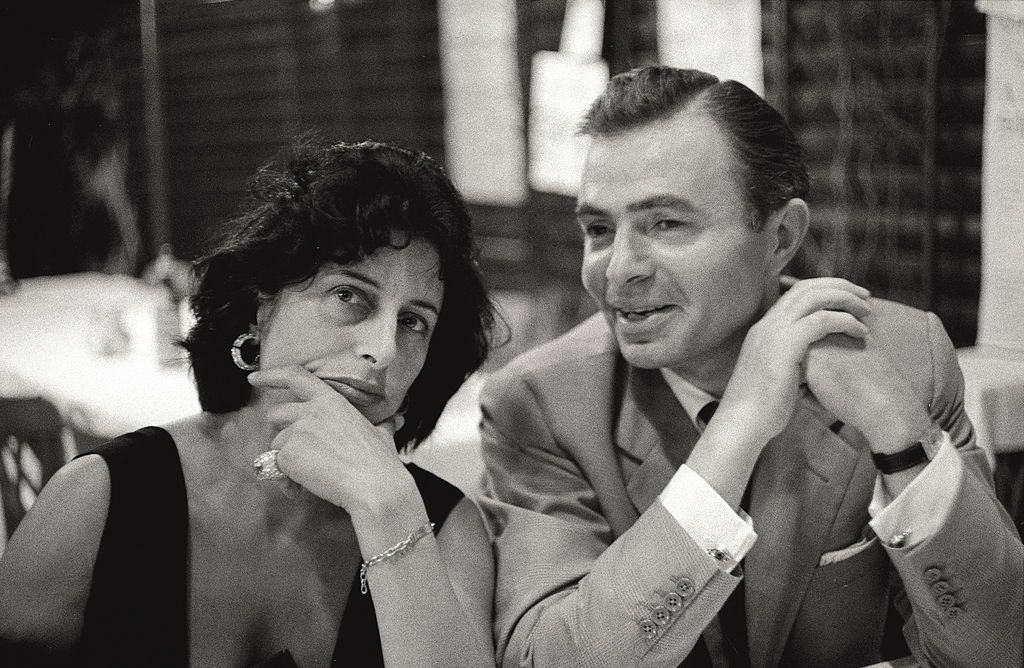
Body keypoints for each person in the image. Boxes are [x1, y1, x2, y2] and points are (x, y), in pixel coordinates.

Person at [480, 66, 1023, 668]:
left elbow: (998, 649)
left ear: (781, 238)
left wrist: (899, 436)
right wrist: (736, 429)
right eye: (599, 229)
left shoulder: (902, 358)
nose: (617, 271)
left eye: (666, 223)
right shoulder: (539, 404)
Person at [0, 138, 497, 667]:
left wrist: (387, 510)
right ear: (261, 309)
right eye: (350, 295)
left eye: (413, 321)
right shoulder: (99, 498)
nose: (383, 350)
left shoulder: (446, 532)